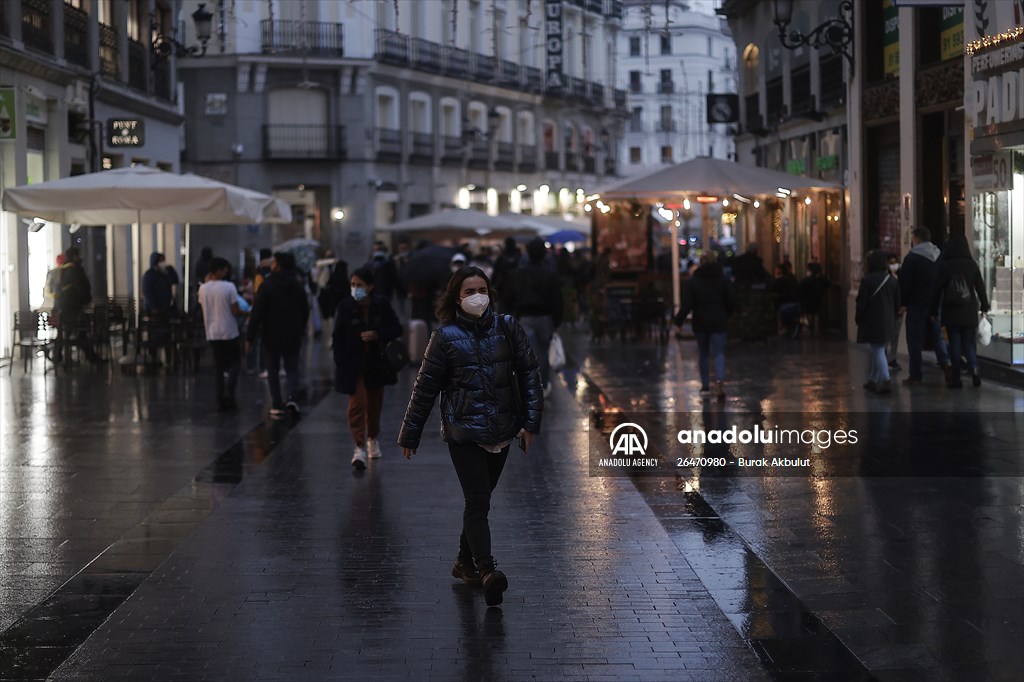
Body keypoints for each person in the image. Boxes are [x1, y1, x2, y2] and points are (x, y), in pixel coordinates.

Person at [398, 266, 543, 607]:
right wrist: (410, 433)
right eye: (469, 291)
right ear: (456, 297)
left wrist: (530, 423)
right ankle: (487, 570)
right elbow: (425, 389)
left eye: (482, 289)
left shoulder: (508, 328)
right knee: (477, 500)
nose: (477, 296)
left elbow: (529, 374)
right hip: (463, 432)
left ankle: (464, 562)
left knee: (481, 500)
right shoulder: (444, 338)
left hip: (503, 430)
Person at [333, 267, 403, 469]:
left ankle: (372, 438)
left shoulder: (381, 304)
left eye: (359, 285)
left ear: (370, 286)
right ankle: (359, 446)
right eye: (352, 285)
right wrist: (340, 360)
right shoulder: (345, 306)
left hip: (376, 363)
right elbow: (338, 337)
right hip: (352, 365)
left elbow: (396, 328)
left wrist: (376, 334)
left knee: (374, 405)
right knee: (356, 405)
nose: (355, 289)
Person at [248, 252, 309, 418]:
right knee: (292, 368)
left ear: (279, 264)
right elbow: (305, 310)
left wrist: (250, 336)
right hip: (292, 334)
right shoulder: (297, 285)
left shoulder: (267, 285)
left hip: (271, 335)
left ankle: (277, 404)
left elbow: (257, 312)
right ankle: (292, 398)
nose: (271, 264)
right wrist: (300, 328)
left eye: (274, 262)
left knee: (273, 370)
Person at [673, 253, 737, 399]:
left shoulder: (693, 282)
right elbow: (732, 300)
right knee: (719, 352)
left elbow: (687, 305)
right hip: (719, 320)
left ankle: (706, 385)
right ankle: (720, 380)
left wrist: (678, 321)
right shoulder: (723, 280)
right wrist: (728, 314)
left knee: (704, 354)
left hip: (701, 321)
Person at [931, 233, 989, 388]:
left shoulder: (945, 265)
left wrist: (932, 311)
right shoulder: (972, 265)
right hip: (969, 310)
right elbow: (980, 288)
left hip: (951, 311)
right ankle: (974, 370)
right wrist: (985, 306)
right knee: (969, 343)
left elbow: (937, 290)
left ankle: (956, 379)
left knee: (955, 344)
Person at [509, 238, 563, 395]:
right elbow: (556, 300)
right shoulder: (550, 274)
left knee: (527, 353)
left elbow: (514, 296)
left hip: (525, 316)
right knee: (544, 352)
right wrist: (557, 321)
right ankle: (542, 384)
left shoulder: (520, 274)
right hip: (545, 317)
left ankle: (528, 385)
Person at [899, 227, 950, 384]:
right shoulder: (940, 255)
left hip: (916, 304)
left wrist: (903, 303)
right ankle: (946, 365)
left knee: (914, 339)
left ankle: (916, 374)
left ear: (917, 240)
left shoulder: (912, 259)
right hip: (936, 303)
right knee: (938, 335)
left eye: (913, 240)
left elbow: (905, 283)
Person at [198, 257, 243, 411]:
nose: (227, 272)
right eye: (224, 269)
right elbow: (235, 310)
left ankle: (219, 398)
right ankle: (230, 391)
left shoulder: (203, 289)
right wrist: (248, 313)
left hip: (212, 332)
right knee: (235, 362)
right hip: (229, 331)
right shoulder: (229, 287)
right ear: (218, 270)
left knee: (218, 366)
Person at [856, 250, 901, 394]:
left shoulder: (867, 280)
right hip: (888, 321)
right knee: (879, 349)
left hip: (873, 321)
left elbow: (861, 302)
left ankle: (886, 379)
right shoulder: (892, 280)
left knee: (877, 349)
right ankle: (873, 380)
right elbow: (897, 303)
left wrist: (859, 317)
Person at [53, 247, 104, 365]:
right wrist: (87, 300)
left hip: (62, 308)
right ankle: (91, 357)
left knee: (64, 333)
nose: (80, 258)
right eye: (78, 255)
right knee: (81, 331)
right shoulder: (75, 270)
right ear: (74, 256)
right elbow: (82, 288)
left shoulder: (61, 270)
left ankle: (58, 356)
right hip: (74, 308)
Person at [796, 262, 830, 337]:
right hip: (817, 305)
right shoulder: (822, 281)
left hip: (805, 305)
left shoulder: (806, 281)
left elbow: (798, 291)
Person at [771, 261, 801, 336]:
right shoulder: (792, 278)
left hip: (785, 303)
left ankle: (783, 327)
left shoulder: (780, 281)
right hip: (794, 302)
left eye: (777, 269)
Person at [885, 253, 904, 372]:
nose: (893, 265)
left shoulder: (901, 275)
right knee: (886, 336)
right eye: (891, 263)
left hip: (897, 311)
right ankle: (885, 358)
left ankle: (892, 358)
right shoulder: (885, 278)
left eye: (895, 262)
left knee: (895, 336)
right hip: (888, 311)